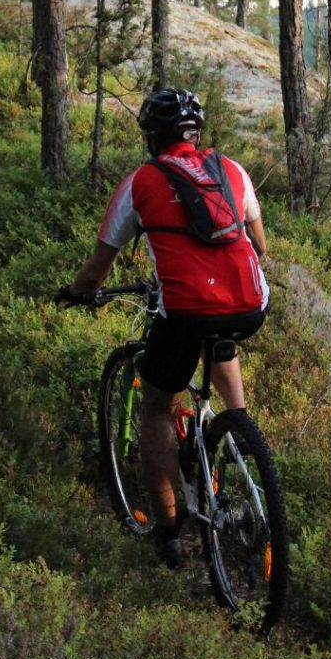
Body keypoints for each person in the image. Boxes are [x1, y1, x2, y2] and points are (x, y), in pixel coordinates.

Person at [60, 88, 269, 568]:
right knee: (219, 340)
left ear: (153, 137)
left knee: (156, 409)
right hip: (249, 304)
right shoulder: (232, 171)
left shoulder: (142, 181)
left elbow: (96, 273)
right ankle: (238, 435)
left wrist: (78, 292)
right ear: (197, 134)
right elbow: (258, 243)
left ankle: (168, 530)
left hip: (184, 310)